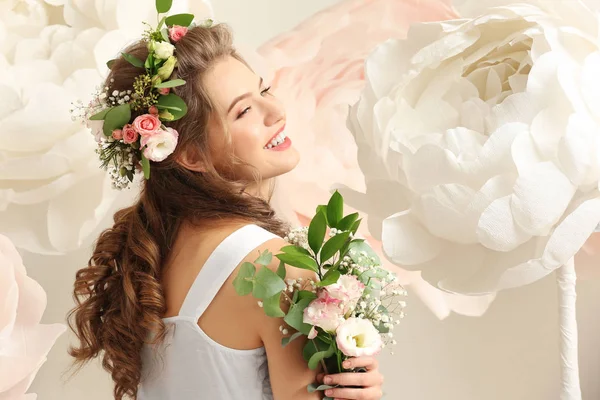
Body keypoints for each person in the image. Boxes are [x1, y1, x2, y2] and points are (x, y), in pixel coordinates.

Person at [68, 23, 384, 400]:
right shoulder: (275, 269)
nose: (275, 112)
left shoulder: (151, 261)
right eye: (244, 110)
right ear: (191, 155)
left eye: (264, 90)